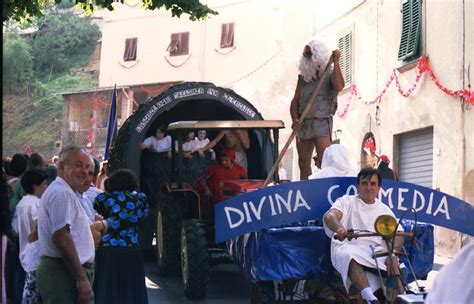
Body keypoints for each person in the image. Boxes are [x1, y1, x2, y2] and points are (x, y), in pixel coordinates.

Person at [36, 145, 107, 303]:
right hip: (64, 273)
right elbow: (61, 237)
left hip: (66, 272)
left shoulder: (66, 192)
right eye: (78, 165)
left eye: (87, 167)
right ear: (62, 167)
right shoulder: (62, 193)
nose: (84, 171)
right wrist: (81, 278)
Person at [323, 167, 404, 304]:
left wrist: (393, 253)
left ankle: (403, 297)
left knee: (396, 264)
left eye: (373, 184)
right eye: (364, 183)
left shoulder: (384, 209)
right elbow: (330, 216)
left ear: (378, 188)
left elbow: (399, 233)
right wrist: (340, 228)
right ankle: (371, 299)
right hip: (348, 246)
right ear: (358, 186)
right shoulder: (347, 201)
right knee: (350, 255)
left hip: (375, 251)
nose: (368, 188)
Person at [290, 38, 344, 180]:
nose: (307, 58)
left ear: (318, 57)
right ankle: (306, 191)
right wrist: (295, 119)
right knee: (303, 163)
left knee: (325, 161)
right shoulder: (303, 78)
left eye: (310, 55)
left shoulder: (330, 72)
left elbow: (339, 86)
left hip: (322, 122)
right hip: (304, 123)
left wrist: (337, 62)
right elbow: (295, 102)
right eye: (305, 55)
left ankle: (324, 190)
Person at [93, 169, 149, 304]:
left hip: (107, 250)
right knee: (131, 290)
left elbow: (96, 218)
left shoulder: (102, 199)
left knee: (107, 290)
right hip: (131, 249)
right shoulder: (141, 199)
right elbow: (142, 218)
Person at [12, 169, 48, 303]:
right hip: (37, 254)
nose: (46, 187)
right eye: (44, 184)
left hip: (24, 253)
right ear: (35, 186)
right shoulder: (37, 203)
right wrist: (36, 233)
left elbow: (15, 228)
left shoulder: (21, 204)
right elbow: (40, 223)